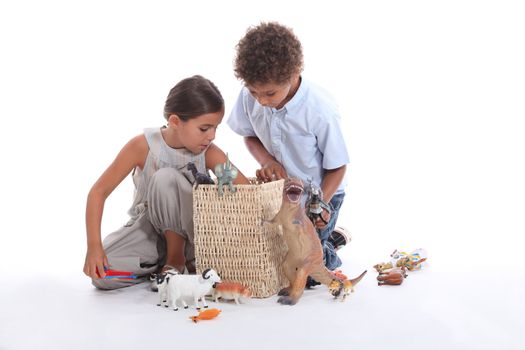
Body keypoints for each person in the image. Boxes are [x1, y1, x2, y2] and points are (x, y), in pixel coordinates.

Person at [84, 75, 249, 290]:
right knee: (101, 275)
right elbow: (98, 191)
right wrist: (93, 246)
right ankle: (161, 269)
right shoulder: (142, 146)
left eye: (215, 128)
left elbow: (246, 191)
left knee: (165, 178)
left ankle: (177, 261)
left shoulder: (210, 154)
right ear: (174, 121)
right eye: (204, 128)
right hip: (150, 231)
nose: (212, 136)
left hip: (192, 235)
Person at [227, 22, 351, 285]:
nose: (260, 101)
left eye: (269, 93)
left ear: (294, 74)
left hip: (321, 196)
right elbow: (248, 134)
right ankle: (329, 239)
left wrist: (316, 208)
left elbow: (338, 166)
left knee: (306, 273)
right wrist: (267, 160)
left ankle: (331, 242)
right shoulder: (252, 95)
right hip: (283, 195)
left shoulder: (319, 110)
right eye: (253, 92)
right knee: (275, 259)